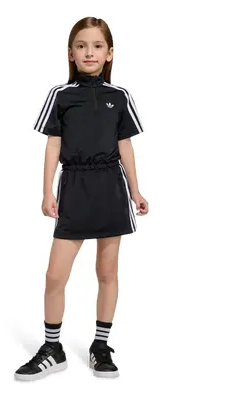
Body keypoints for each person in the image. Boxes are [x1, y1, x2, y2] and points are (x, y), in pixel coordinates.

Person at [14, 16, 149, 381]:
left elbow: (125, 145)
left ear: (109, 53)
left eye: (97, 46)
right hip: (74, 188)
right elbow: (52, 144)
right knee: (55, 276)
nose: (90, 52)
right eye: (82, 46)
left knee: (108, 272)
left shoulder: (119, 97)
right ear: (71, 53)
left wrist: (135, 190)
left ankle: (100, 346)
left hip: (110, 189)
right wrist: (47, 191)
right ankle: (52, 349)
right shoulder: (60, 95)